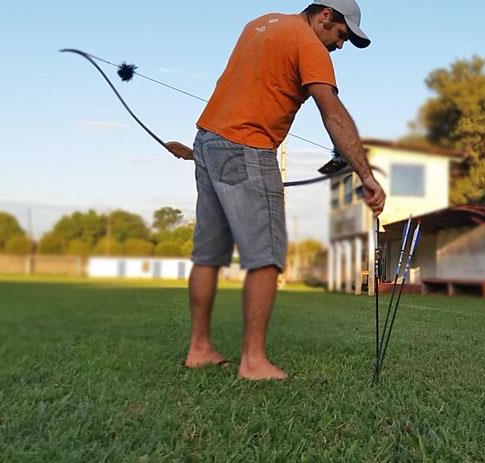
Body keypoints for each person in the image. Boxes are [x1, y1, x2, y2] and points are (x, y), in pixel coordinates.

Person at [164, 1, 386, 380]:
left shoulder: (261, 23)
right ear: (325, 15)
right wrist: (365, 175)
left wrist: (202, 150)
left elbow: (247, 84)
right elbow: (331, 111)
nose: (340, 45)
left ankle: (199, 348)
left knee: (208, 254)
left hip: (209, 140)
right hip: (249, 146)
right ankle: (253, 361)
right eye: (341, 35)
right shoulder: (309, 44)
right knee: (265, 254)